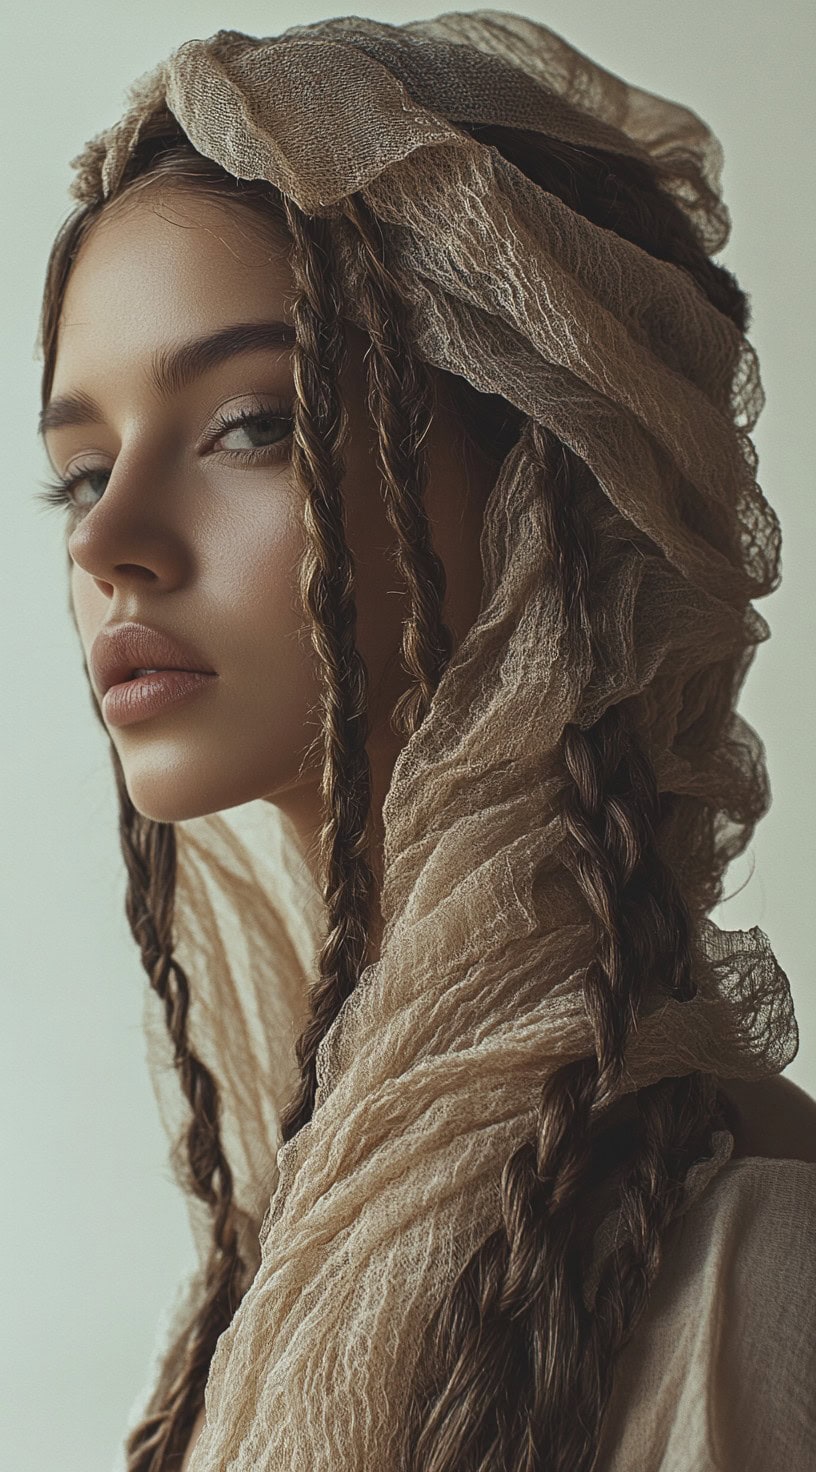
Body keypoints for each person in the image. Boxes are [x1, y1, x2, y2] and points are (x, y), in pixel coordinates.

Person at [34, 11, 816, 1472]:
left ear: (548, 484)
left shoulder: (747, 1267)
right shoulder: (293, 1259)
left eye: (253, 425)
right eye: (80, 473)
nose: (114, 544)